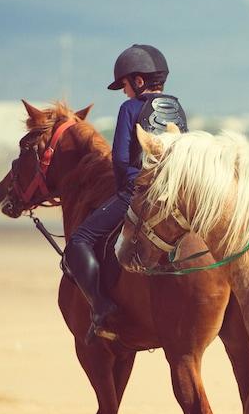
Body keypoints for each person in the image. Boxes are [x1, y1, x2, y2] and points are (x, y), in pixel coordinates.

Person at [62, 44, 188, 339]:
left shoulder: (130, 108)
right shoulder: (177, 107)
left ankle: (101, 307)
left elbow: (120, 159)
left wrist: (124, 192)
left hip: (137, 192)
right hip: (174, 194)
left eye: (125, 85)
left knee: (79, 241)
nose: (124, 92)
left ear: (139, 81)